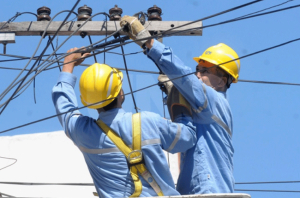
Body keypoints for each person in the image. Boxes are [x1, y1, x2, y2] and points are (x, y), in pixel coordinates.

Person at [52, 47, 196, 198]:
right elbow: (188, 137)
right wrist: (178, 102)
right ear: (120, 92)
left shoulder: (84, 133)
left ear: (87, 101)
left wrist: (68, 64)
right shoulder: (148, 122)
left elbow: (64, 107)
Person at [120, 16, 241, 194]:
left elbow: (184, 77)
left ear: (222, 81)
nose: (198, 75)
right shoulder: (203, 109)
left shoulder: (215, 102)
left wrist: (149, 42)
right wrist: (175, 94)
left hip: (210, 192)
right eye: (197, 70)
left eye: (205, 71)